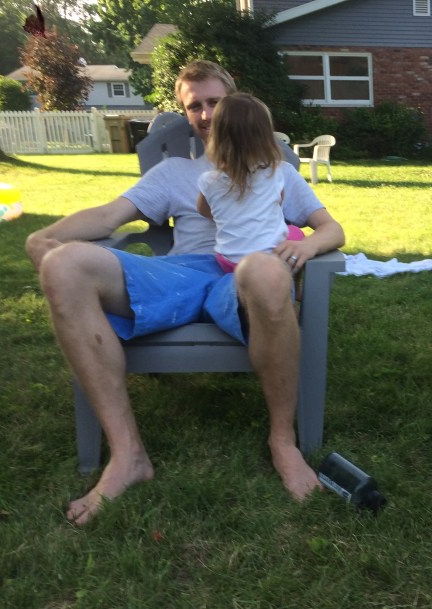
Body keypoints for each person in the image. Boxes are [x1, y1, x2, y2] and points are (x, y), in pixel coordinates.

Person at [24, 60, 345, 525]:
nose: (207, 114)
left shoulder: (275, 171)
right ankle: (128, 455)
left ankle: (282, 440)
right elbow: (108, 216)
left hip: (244, 277)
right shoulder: (175, 171)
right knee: (63, 264)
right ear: (185, 112)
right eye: (195, 106)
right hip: (181, 273)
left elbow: (331, 228)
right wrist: (43, 237)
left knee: (265, 270)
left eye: (215, 102)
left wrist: (308, 245)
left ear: (233, 102)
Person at [197, 92, 291, 273]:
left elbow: (204, 211)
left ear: (216, 139)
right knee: (295, 233)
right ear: (266, 140)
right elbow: (278, 202)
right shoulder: (275, 173)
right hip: (269, 260)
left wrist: (228, 212)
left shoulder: (208, 180)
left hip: (228, 262)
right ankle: (295, 281)